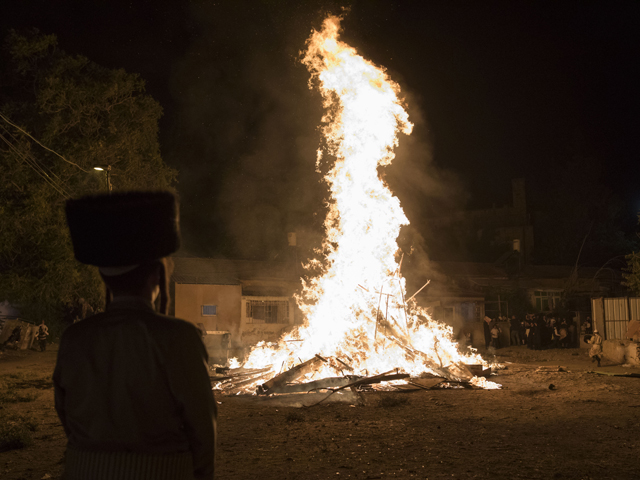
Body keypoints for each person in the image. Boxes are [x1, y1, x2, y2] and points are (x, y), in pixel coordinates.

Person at [54, 191, 216, 480]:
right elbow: (202, 427)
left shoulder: (74, 338)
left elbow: (65, 414)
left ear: (105, 278)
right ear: (156, 276)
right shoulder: (179, 337)